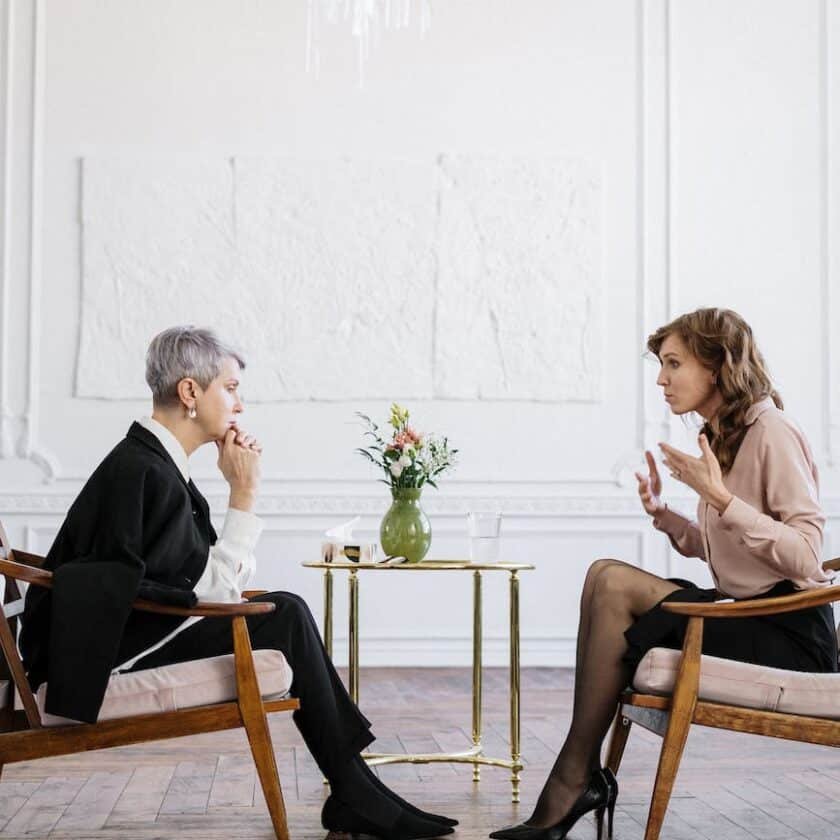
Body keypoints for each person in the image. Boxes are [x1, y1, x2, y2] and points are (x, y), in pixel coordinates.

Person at [21, 326, 455, 840]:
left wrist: (236, 495)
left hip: (118, 632)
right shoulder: (146, 470)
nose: (240, 405)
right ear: (190, 393)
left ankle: (355, 788)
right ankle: (355, 789)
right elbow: (211, 594)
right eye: (230, 388)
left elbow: (195, 581)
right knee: (285, 612)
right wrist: (244, 493)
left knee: (283, 608)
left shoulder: (152, 462)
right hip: (101, 655)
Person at [490, 307, 836, 840]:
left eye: (674, 363)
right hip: (746, 614)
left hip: (789, 633)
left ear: (717, 366)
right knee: (605, 574)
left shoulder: (773, 431)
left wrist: (719, 496)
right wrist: (666, 516)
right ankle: (577, 774)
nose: (661, 377)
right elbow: (734, 553)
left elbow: (807, 557)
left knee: (612, 581)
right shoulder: (724, 433)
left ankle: (574, 777)